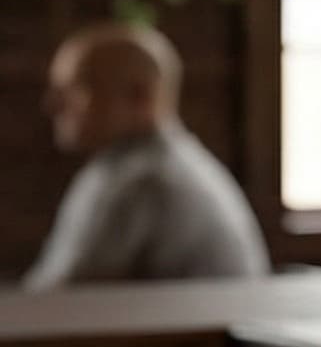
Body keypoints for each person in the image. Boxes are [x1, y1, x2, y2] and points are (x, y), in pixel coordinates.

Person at [24, 23, 270, 289]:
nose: (53, 104)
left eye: (78, 87)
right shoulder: (132, 166)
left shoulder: (146, 180)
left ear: (140, 96)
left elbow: (63, 299)